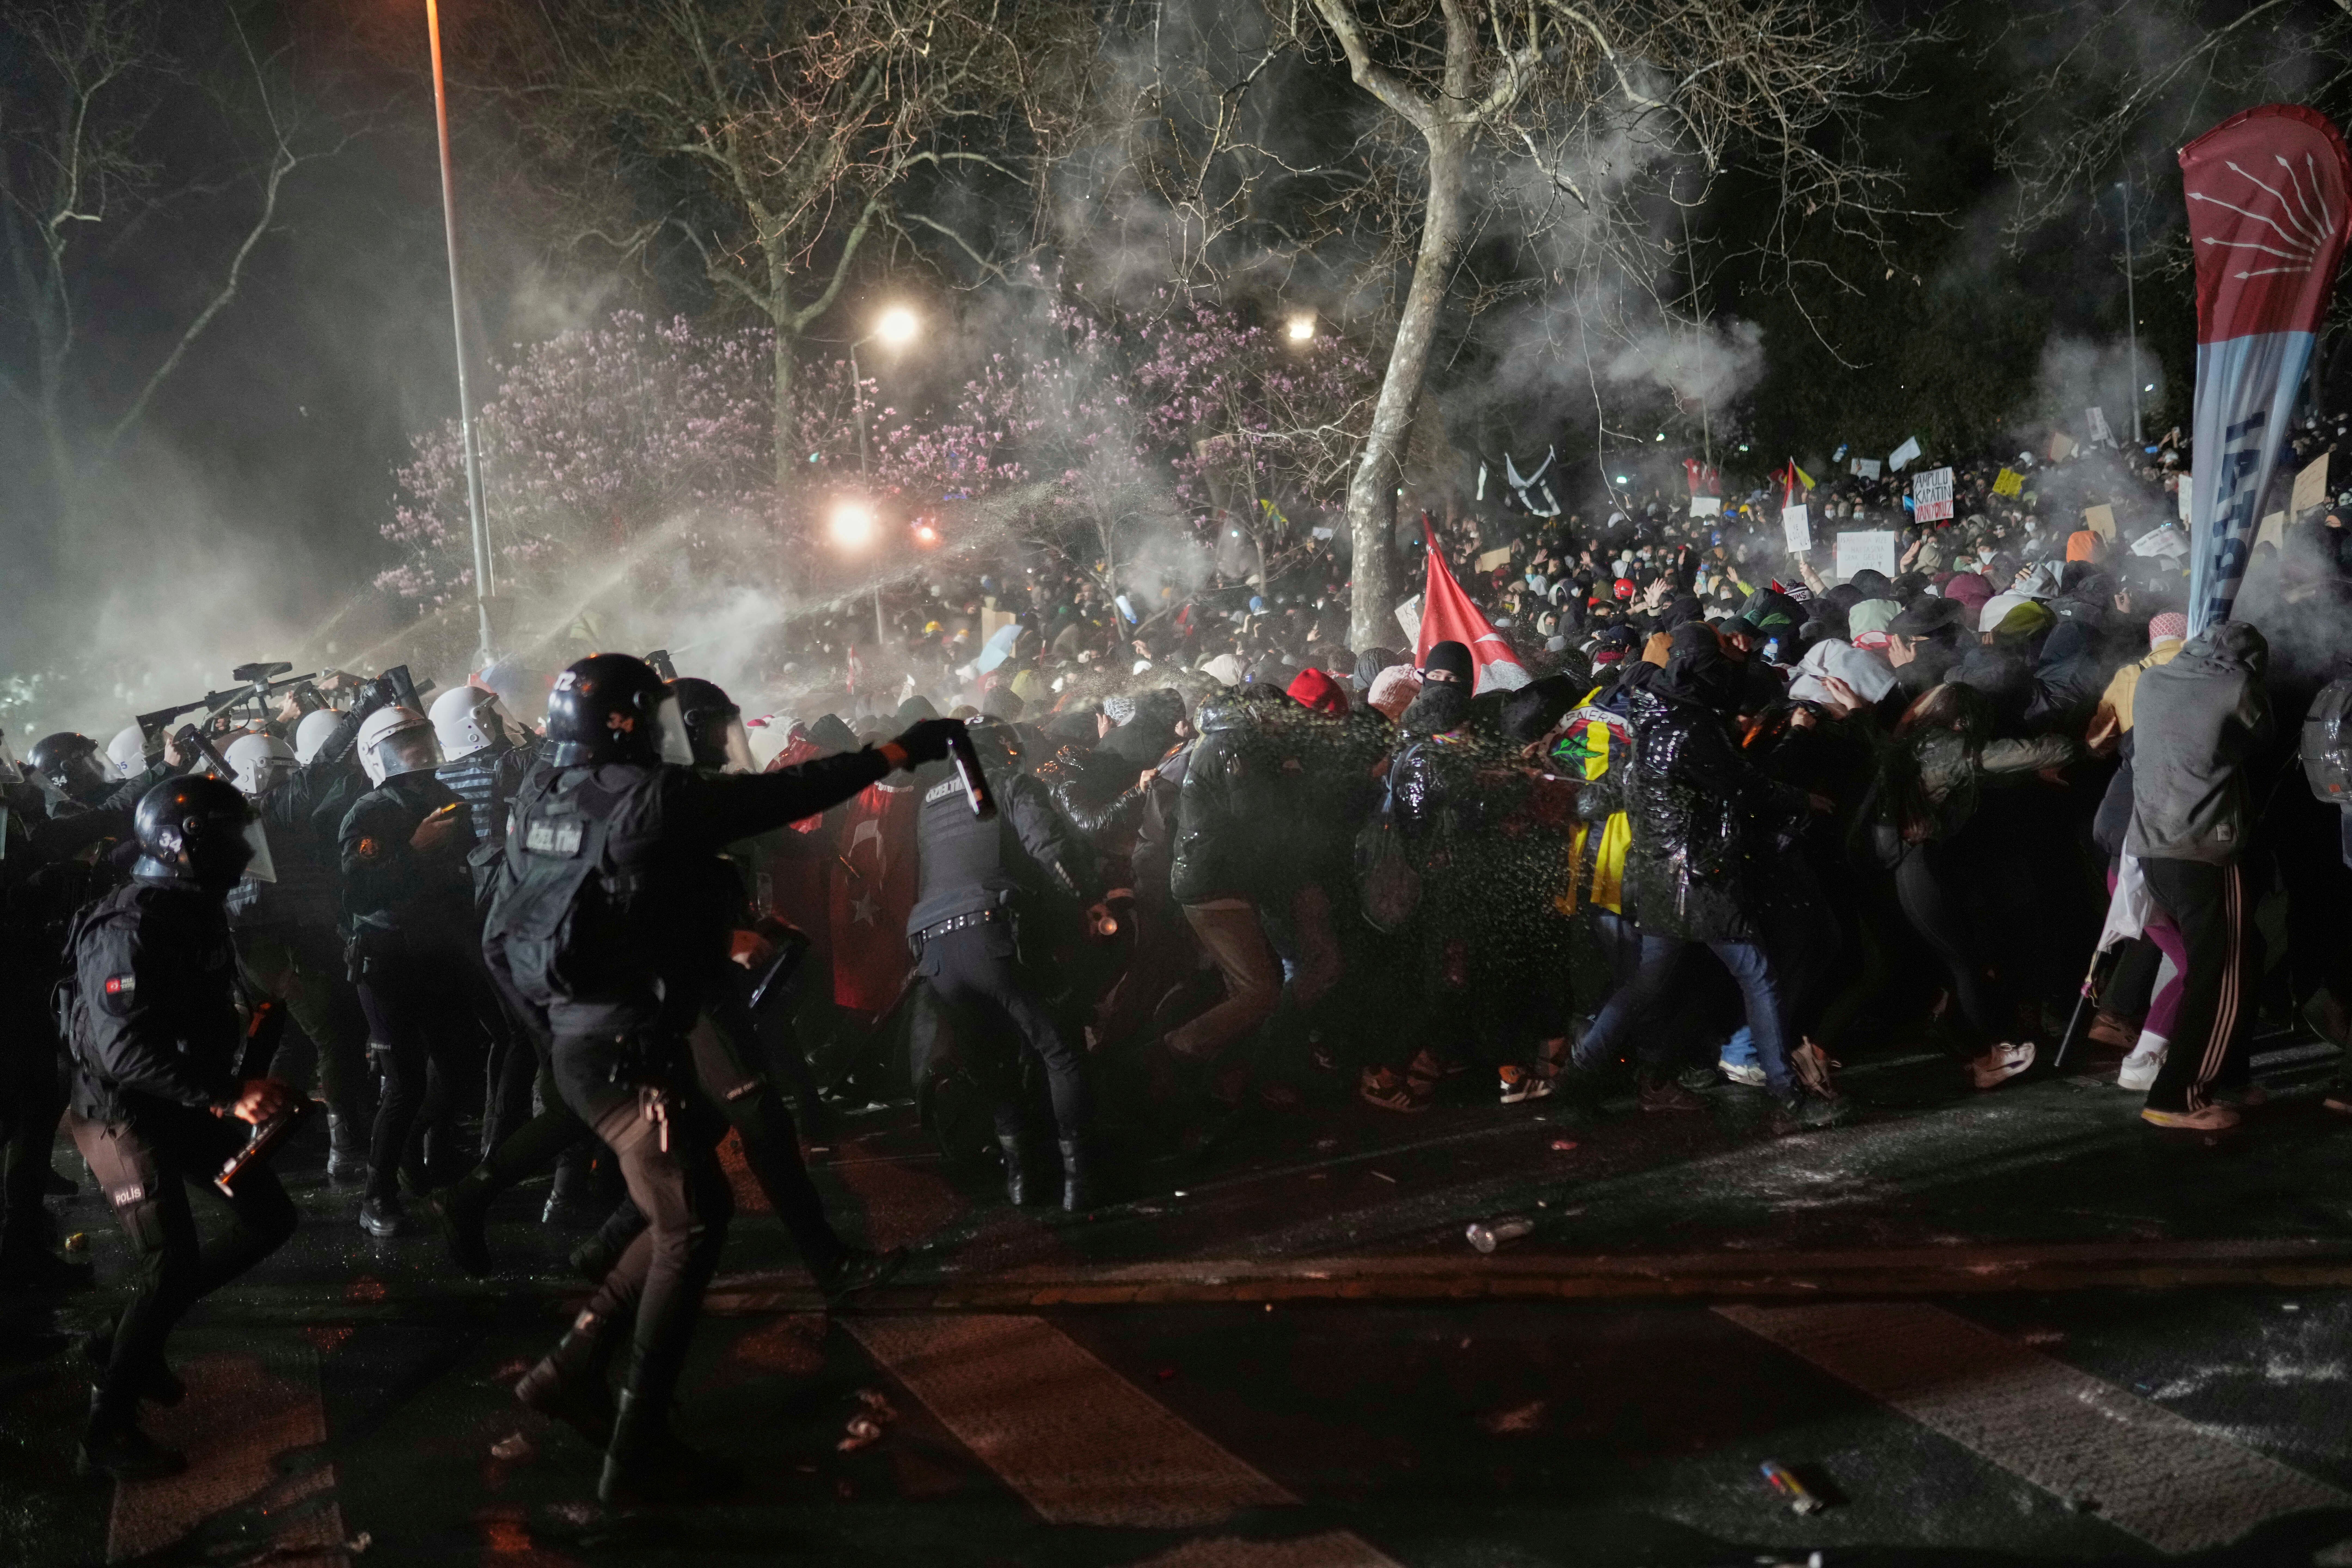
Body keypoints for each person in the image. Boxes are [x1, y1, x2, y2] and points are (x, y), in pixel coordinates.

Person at [488, 653, 957, 1506]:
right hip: (632, 1049)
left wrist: (558, 1035)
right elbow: (784, 795)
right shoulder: (653, 800)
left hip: (584, 1045)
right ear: (630, 723)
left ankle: (576, 1371)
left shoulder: (539, 800)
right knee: (693, 1224)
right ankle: (633, 1456)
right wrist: (899, 752)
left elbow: (497, 940)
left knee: (687, 1207)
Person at [63, 775, 297, 1479]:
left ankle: (121, 1340)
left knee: (268, 1218)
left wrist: (253, 1053)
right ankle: (103, 1434)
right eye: (230, 839)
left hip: (183, 1101)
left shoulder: (190, 907)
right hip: (123, 1115)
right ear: (187, 844)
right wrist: (230, 1098)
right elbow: (123, 1051)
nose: (242, 853)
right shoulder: (133, 922)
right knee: (172, 1264)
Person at [906, 715, 1107, 1208]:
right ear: (1002, 749)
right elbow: (1050, 850)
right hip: (989, 934)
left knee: (989, 1063)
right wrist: (1089, 898)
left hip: (933, 950)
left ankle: (1020, 1178)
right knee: (1057, 1048)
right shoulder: (1011, 782)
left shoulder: (929, 805)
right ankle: (1080, 1181)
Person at [2126, 620, 2270, 1130]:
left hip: (2152, 846)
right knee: (2223, 972)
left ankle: (2227, 1076)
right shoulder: (2239, 685)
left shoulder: (2152, 680)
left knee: (2236, 957)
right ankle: (2179, 1096)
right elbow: (2261, 737)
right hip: (2206, 847)